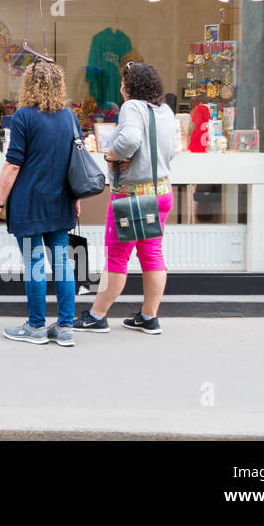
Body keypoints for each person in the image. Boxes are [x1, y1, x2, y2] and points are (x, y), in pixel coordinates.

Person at [75, 62, 180, 335]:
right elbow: (174, 148)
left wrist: (112, 154)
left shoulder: (132, 107)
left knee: (117, 257)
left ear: (129, 86)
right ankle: (149, 316)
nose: (121, 87)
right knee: (152, 254)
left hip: (132, 196)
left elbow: (130, 139)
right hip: (160, 191)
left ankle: (97, 315)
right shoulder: (165, 111)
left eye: (123, 83)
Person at [0, 60, 79, 347]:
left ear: (29, 85)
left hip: (30, 203)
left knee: (35, 262)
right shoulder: (69, 116)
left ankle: (36, 326)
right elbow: (75, 161)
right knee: (61, 262)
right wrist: (75, 199)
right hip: (61, 200)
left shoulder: (23, 116)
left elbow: (13, 165)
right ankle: (65, 327)